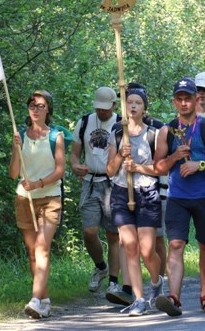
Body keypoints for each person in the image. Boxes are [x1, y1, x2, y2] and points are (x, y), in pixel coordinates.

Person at [153, 77, 205, 317]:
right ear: (174, 102)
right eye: (180, 98)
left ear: (195, 100)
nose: (185, 102)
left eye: (188, 98)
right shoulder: (166, 130)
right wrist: (175, 158)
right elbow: (158, 167)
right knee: (176, 244)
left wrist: (199, 165)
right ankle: (174, 298)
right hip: (177, 196)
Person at [105, 86, 164, 316]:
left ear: (144, 107)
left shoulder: (154, 134)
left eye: (137, 102)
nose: (132, 106)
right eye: (129, 102)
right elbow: (109, 171)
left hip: (147, 193)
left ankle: (157, 282)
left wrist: (137, 166)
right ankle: (139, 299)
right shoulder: (118, 133)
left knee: (147, 250)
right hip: (121, 192)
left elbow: (159, 169)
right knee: (130, 247)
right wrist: (120, 154)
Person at [9, 90, 65, 319]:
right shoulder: (20, 135)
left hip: (50, 197)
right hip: (24, 198)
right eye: (32, 105)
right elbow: (13, 173)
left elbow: (60, 171)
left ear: (48, 109)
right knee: (33, 253)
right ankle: (44, 300)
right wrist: (16, 148)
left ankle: (33, 300)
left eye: (40, 106)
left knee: (42, 248)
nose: (35, 109)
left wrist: (38, 183)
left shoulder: (56, 136)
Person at [70, 87, 122, 298]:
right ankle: (101, 267)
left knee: (113, 235)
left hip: (113, 183)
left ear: (114, 106)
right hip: (90, 181)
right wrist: (75, 166)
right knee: (89, 232)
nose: (101, 112)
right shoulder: (84, 122)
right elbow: (74, 155)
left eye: (105, 109)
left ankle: (114, 282)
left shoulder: (120, 124)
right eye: (98, 108)